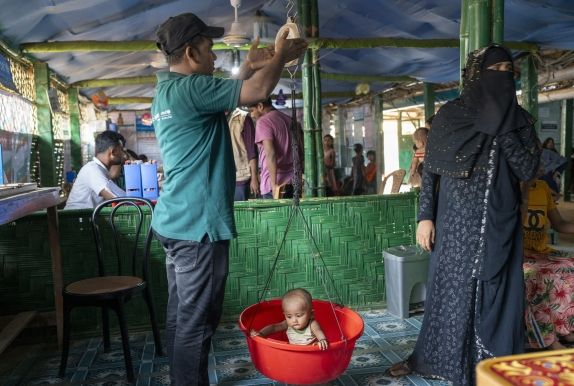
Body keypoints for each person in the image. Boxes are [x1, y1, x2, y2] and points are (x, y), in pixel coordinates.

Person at [151, 12, 307, 386]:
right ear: (190, 52)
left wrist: (249, 68)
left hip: (174, 221)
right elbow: (254, 94)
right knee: (197, 320)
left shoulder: (166, 90)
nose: (215, 58)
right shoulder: (192, 89)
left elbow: (230, 93)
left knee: (180, 316)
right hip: (197, 227)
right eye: (208, 50)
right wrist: (281, 57)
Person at [388, 45, 541, 385]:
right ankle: (440, 360)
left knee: (496, 287)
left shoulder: (519, 121)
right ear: (476, 75)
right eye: (495, 69)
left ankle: (491, 363)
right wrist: (424, 217)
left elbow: (527, 168)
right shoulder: (450, 117)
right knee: (451, 289)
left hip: (498, 221)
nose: (502, 76)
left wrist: (501, 127)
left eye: (508, 70)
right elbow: (431, 173)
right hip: (455, 220)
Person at [523, 177, 574, 350]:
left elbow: (560, 224)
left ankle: (564, 329)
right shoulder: (511, 187)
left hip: (541, 253)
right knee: (540, 275)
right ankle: (548, 340)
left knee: (571, 266)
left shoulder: (543, 188)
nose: (543, 167)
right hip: (519, 255)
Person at [64, 130, 126, 209]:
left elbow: (119, 194)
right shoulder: (92, 169)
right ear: (113, 152)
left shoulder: (101, 170)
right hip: (75, 218)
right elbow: (115, 196)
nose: (123, 155)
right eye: (121, 150)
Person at [249, 288, 328, 350]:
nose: (294, 320)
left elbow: (318, 332)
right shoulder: (288, 323)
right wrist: (261, 334)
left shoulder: (312, 324)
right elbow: (274, 327)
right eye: (289, 316)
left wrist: (322, 340)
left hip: (311, 354)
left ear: (311, 314)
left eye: (299, 315)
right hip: (293, 353)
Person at [249, 98, 295, 199]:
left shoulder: (263, 122)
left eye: (252, 111)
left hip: (274, 184)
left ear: (260, 106)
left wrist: (274, 185)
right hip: (292, 181)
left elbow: (271, 154)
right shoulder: (288, 119)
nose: (251, 115)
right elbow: (299, 151)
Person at [227, 108, 259, 200]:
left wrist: (254, 178)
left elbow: (252, 152)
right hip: (222, 177)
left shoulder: (243, 118)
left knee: (241, 211)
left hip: (241, 177)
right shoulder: (214, 117)